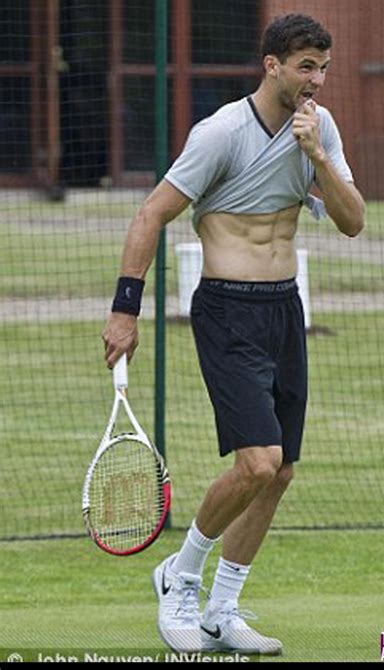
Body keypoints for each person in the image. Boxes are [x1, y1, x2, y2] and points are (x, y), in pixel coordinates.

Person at [102, 12, 365, 656]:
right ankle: (181, 575)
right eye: (306, 67)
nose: (318, 81)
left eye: (324, 67)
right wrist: (125, 309)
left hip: (284, 309)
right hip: (227, 310)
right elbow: (151, 214)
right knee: (257, 463)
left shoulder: (319, 129)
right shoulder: (220, 131)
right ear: (271, 64)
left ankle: (223, 609)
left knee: (280, 475)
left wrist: (317, 156)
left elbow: (353, 221)